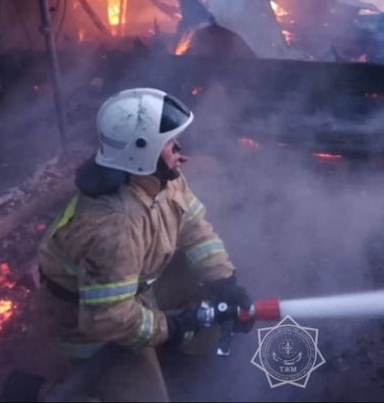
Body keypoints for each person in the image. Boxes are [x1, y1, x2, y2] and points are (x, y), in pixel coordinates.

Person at [37, 88, 253, 401]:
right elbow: (108, 317)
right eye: (168, 141)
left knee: (207, 287)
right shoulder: (114, 225)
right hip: (92, 326)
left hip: (136, 286)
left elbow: (195, 229)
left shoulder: (162, 178)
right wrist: (170, 327)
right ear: (142, 150)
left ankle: (178, 360)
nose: (178, 147)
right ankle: (42, 393)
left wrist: (225, 282)